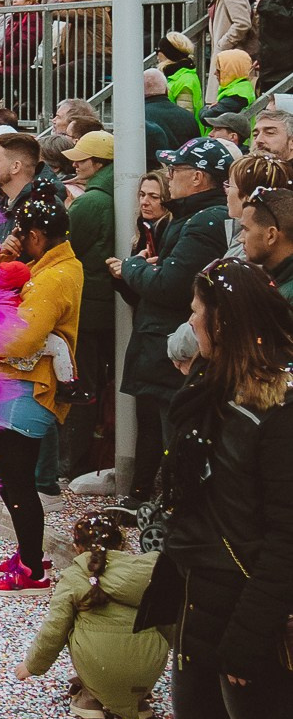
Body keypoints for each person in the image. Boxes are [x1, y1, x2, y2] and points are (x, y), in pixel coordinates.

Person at [104, 263, 293, 719]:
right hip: (195, 592)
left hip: (250, 609)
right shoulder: (207, 390)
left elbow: (283, 536)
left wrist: (251, 635)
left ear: (225, 320)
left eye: (196, 308)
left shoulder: (278, 410)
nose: (187, 319)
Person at [108, 137, 232, 503]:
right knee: (159, 431)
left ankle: (175, 514)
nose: (169, 176)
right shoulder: (191, 218)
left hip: (174, 351)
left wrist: (131, 269)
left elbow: (170, 286)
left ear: (197, 178)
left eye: (175, 170)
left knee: (174, 439)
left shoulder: (203, 222)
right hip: (164, 345)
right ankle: (153, 503)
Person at [0, 200, 84, 594]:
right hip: (18, 386)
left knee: (16, 478)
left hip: (29, 389)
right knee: (4, 469)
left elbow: (23, 338)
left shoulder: (52, 278)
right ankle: (29, 552)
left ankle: (32, 571)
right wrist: (2, 255)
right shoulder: (51, 267)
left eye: (20, 235)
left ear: (36, 237)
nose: (14, 241)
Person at [14, 507, 169, 719]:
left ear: (77, 547)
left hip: (100, 663)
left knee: (74, 626)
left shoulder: (76, 576)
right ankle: (135, 699)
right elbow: (168, 623)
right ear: (122, 543)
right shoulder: (146, 573)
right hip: (147, 669)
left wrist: (33, 665)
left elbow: (55, 628)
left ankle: (90, 696)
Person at [62, 131, 118, 482]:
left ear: (98, 163)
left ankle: (71, 458)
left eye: (82, 158)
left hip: (88, 305)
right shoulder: (115, 192)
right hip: (105, 303)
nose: (75, 163)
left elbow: (67, 246)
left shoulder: (91, 201)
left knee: (80, 381)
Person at [239, 184, 293, 305]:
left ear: (271, 235)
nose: (240, 239)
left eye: (246, 229)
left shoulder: (286, 299)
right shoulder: (275, 282)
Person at [142, 70, 200, 159]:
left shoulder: (139, 118)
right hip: (183, 169)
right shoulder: (188, 116)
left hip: (151, 170)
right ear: (166, 90)